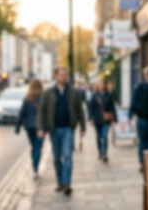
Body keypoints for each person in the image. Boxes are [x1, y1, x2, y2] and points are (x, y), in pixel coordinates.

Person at [37, 67, 86, 195]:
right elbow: (42, 111)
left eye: (65, 74)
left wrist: (83, 127)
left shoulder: (74, 92)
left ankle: (66, 183)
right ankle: (59, 181)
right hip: (54, 130)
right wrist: (41, 128)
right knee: (57, 158)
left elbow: (80, 110)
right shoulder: (48, 93)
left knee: (68, 156)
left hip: (68, 129)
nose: (64, 77)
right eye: (61, 75)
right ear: (55, 76)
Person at [16, 79, 44, 180]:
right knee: (38, 148)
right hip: (40, 127)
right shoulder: (43, 98)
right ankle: (35, 169)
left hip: (29, 127)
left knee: (34, 147)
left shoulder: (27, 99)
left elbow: (21, 114)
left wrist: (17, 127)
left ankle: (34, 169)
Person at [88, 78, 116, 162]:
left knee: (104, 136)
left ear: (105, 85)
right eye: (100, 84)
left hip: (106, 119)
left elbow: (112, 107)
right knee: (98, 137)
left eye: (103, 84)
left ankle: (105, 154)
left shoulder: (109, 95)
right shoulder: (94, 95)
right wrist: (90, 118)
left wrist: (115, 118)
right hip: (97, 118)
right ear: (97, 85)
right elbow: (90, 107)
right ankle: (100, 152)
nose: (101, 85)